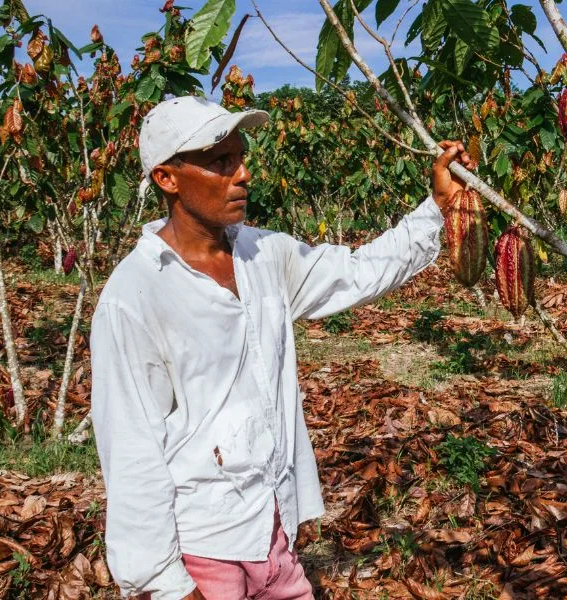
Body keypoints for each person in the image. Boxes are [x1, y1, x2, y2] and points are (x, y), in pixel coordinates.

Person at [89, 95, 474, 599]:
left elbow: (355, 272)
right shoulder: (135, 294)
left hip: (273, 530)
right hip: (201, 547)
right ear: (167, 178)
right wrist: (166, 586)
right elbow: (132, 449)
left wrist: (437, 207)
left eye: (242, 157)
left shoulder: (263, 254)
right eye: (221, 162)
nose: (243, 173)